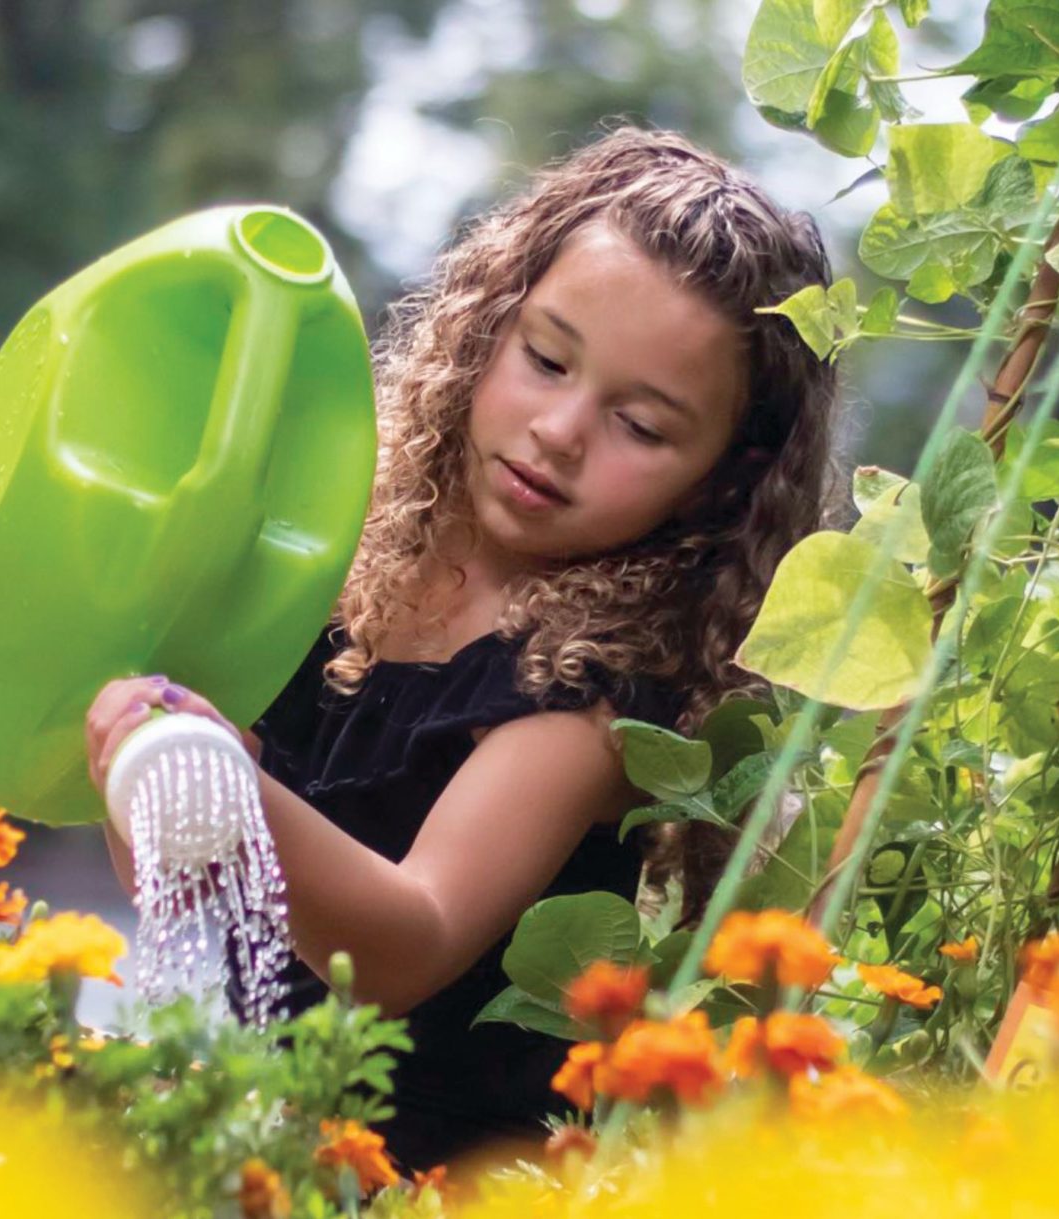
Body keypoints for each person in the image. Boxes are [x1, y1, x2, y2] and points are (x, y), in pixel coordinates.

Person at [83, 126, 840, 1170]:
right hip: (254, 1144)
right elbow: (200, 892)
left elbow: (408, 939)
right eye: (545, 359)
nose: (560, 429)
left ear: (723, 479)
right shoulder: (338, 556)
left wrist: (226, 782)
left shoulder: (601, 695)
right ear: (489, 321)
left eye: (643, 426)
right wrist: (147, 758)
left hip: (427, 1181)